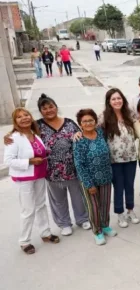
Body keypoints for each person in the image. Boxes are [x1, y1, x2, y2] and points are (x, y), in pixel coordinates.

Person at [4, 94, 90, 235]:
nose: (49, 110)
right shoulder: (37, 125)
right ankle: (64, 224)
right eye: (44, 108)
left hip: (73, 169)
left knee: (78, 196)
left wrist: (78, 135)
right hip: (51, 171)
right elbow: (21, 130)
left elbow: (82, 134)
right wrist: (7, 136)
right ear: (40, 111)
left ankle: (82, 219)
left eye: (51, 107)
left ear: (56, 107)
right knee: (58, 200)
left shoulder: (69, 123)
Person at [4, 108, 60, 254]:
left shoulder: (35, 134)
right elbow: (8, 160)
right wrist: (29, 161)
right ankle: (24, 241)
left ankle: (45, 233)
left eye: (26, 115)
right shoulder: (13, 137)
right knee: (28, 210)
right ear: (15, 121)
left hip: (39, 175)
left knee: (41, 205)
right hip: (24, 178)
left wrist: (45, 152)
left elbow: (36, 150)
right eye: (19, 117)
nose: (24, 118)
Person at [73, 109, 116, 245]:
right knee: (94, 208)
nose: (88, 123)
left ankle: (105, 226)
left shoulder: (100, 133)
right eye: (84, 121)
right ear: (80, 124)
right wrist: (88, 184)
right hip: (89, 180)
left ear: (95, 121)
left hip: (105, 177)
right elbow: (79, 165)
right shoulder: (79, 140)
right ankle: (97, 232)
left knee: (105, 204)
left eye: (91, 120)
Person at [101, 88, 140, 228]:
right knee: (119, 187)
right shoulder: (103, 118)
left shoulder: (130, 115)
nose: (117, 101)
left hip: (130, 158)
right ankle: (119, 213)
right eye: (113, 99)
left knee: (129, 185)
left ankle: (130, 210)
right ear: (109, 102)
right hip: (114, 160)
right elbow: (91, 131)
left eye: (119, 98)